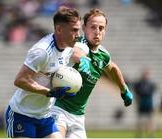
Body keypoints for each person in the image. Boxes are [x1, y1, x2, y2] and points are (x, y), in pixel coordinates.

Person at [5, 6, 89, 138]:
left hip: (45, 116)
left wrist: (84, 61)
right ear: (59, 29)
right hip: (22, 114)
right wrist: (49, 92)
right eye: (74, 30)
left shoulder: (68, 48)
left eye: (78, 30)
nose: (78, 35)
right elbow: (20, 80)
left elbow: (82, 47)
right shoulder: (42, 52)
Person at [50, 8, 133, 139]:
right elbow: (77, 51)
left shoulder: (103, 54)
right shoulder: (78, 42)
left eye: (101, 28)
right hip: (58, 109)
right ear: (84, 28)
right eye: (93, 27)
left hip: (78, 116)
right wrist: (82, 59)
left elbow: (113, 68)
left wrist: (124, 89)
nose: (97, 32)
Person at [133, 68, 156, 137]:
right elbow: (136, 93)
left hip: (149, 104)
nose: (145, 76)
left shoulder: (151, 84)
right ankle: (139, 134)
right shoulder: (138, 84)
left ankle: (150, 134)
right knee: (140, 120)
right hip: (141, 104)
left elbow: (152, 94)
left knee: (150, 120)